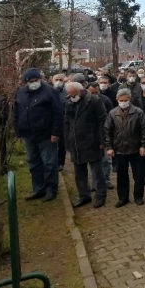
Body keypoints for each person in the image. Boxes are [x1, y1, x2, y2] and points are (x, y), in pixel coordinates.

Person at [14, 68, 62, 202]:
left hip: (46, 134)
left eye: (36, 80)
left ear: (40, 79)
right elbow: (17, 113)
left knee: (49, 162)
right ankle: (38, 188)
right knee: (33, 162)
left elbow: (58, 113)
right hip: (28, 134)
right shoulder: (21, 92)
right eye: (31, 81)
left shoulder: (50, 91)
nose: (34, 83)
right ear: (26, 82)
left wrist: (55, 132)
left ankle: (51, 189)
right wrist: (18, 132)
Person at [64, 82, 108, 208]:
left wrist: (101, 140)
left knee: (97, 172)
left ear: (81, 91)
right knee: (79, 173)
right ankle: (84, 195)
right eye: (70, 95)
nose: (72, 97)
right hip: (76, 143)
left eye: (73, 94)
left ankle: (100, 195)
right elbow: (67, 121)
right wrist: (67, 140)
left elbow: (102, 120)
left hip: (92, 141)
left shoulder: (94, 101)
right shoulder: (69, 102)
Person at [105, 88, 145, 207]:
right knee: (121, 176)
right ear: (117, 99)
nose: (123, 102)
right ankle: (123, 198)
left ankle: (138, 196)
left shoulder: (138, 112)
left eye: (126, 100)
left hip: (136, 148)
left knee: (138, 175)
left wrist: (143, 145)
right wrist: (109, 147)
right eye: (121, 100)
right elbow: (108, 131)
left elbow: (144, 130)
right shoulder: (113, 113)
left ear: (130, 99)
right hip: (119, 149)